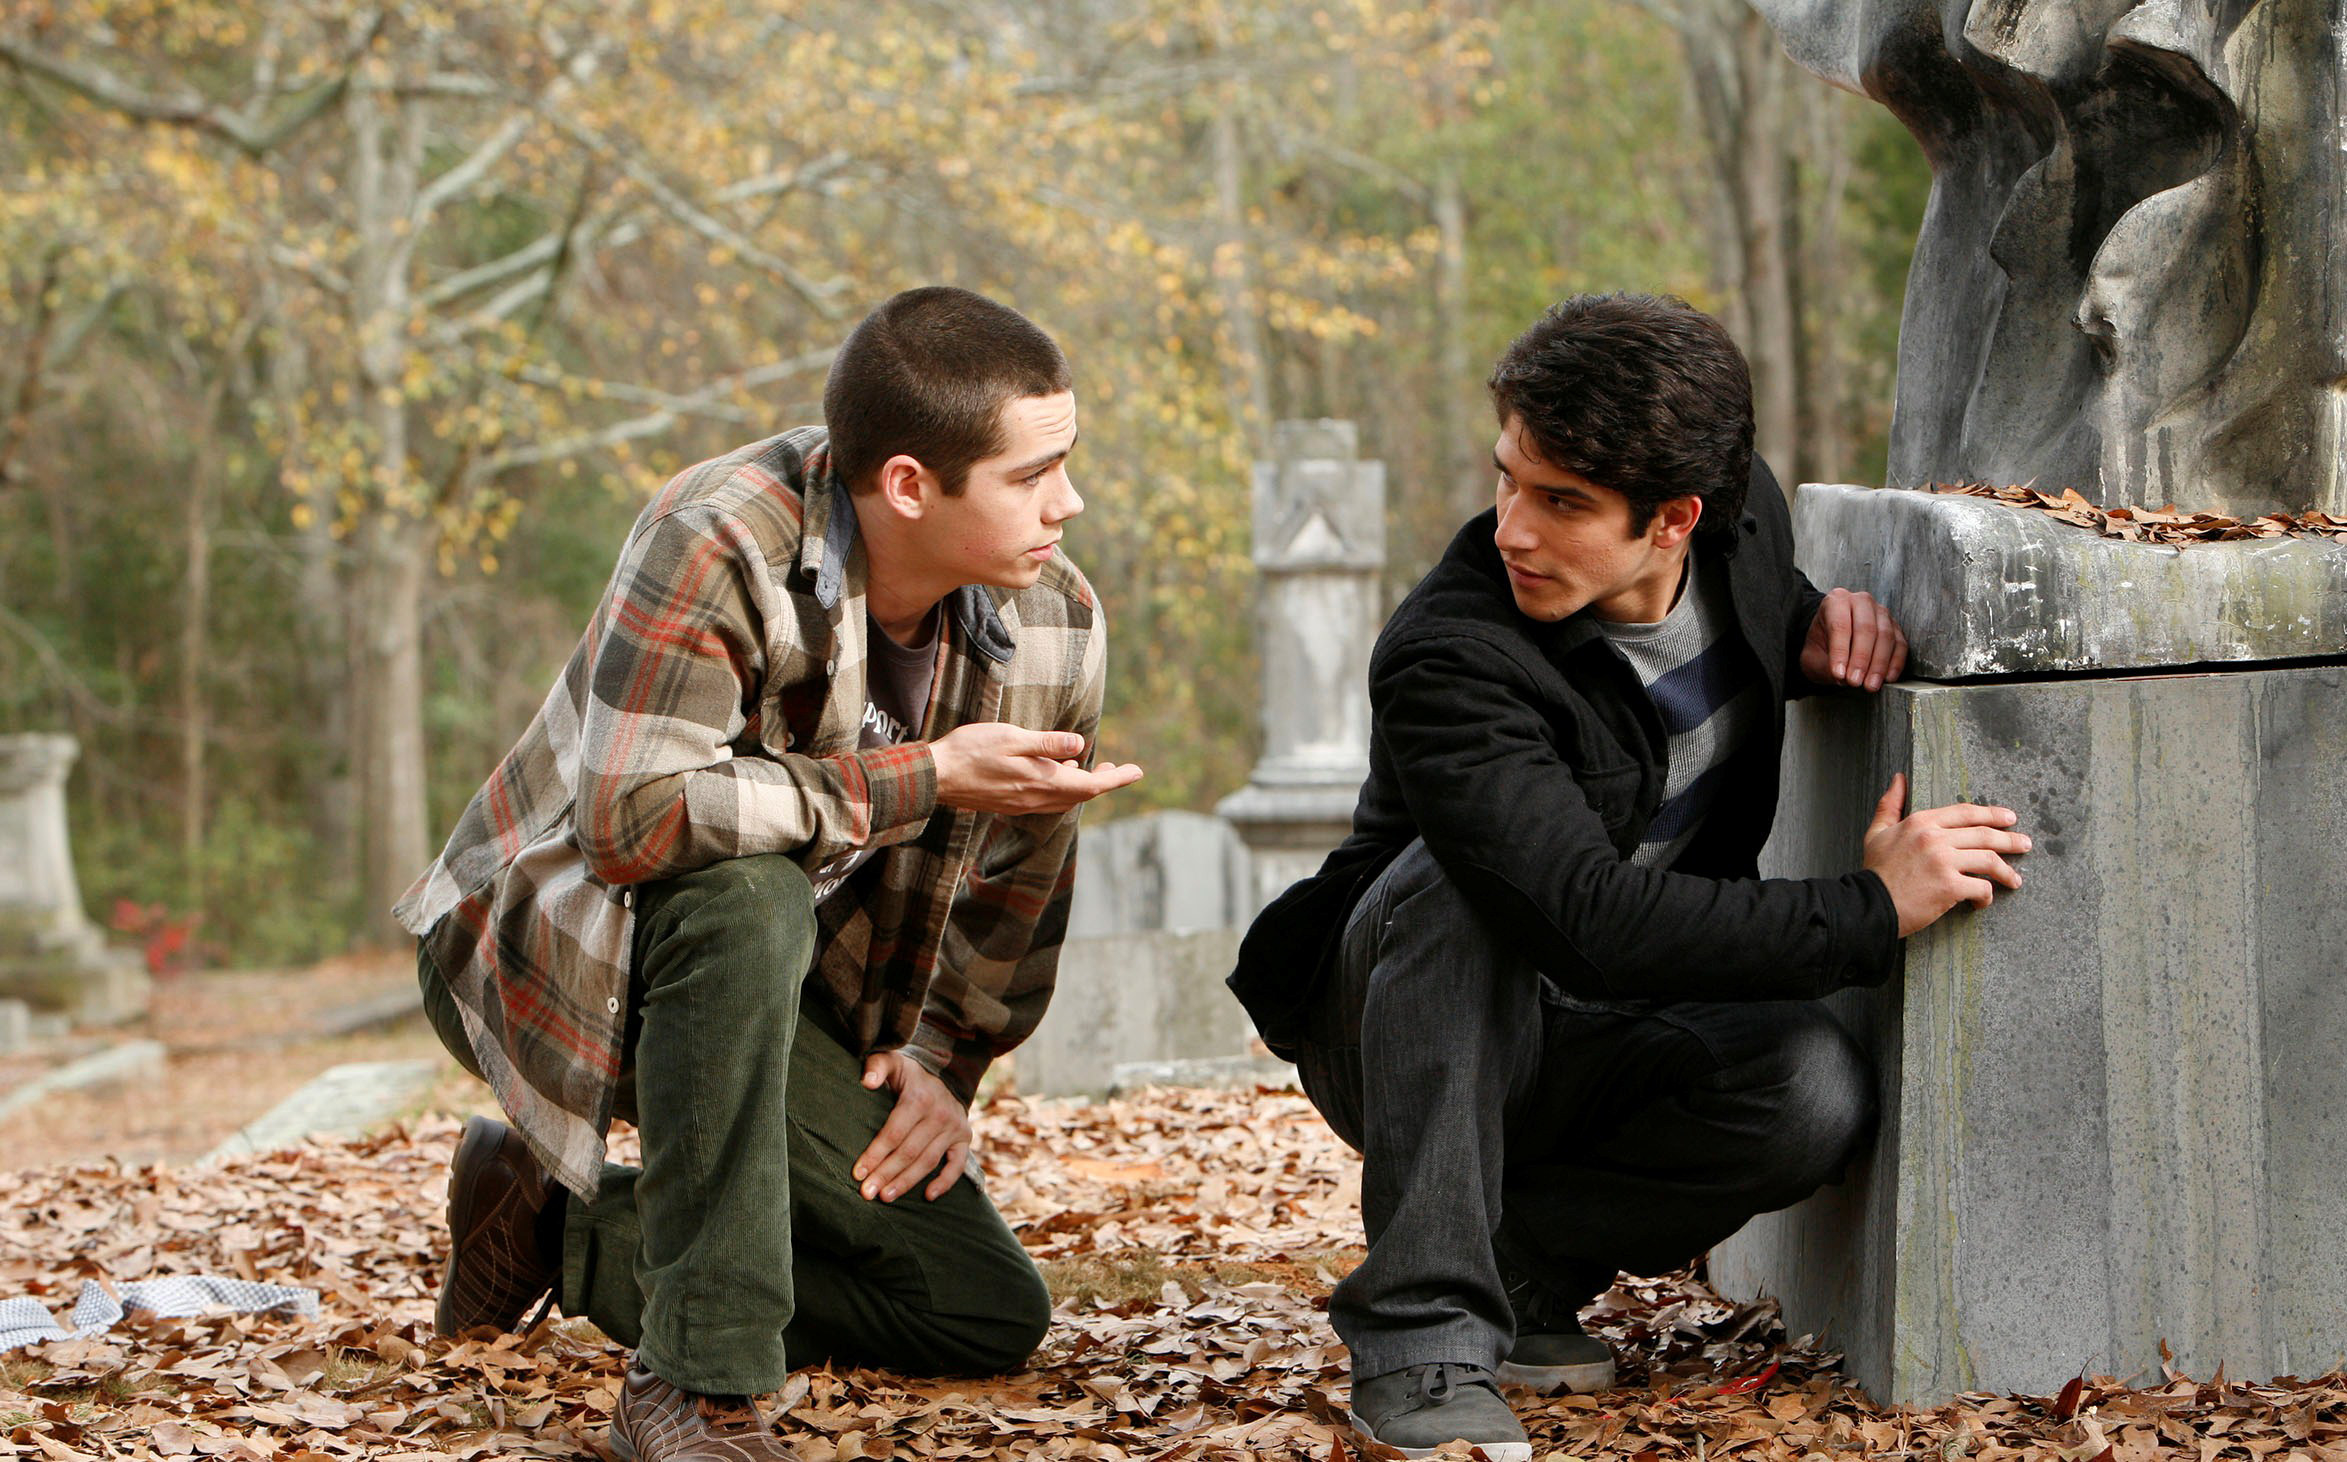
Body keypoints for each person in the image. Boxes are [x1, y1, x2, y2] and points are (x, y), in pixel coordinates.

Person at [1227, 293, 2030, 1461]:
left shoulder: (1742, 531)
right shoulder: (1452, 656)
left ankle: (1516, 1264)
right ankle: (1420, 1337)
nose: (1512, 528)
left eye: (1562, 504)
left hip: (1603, 1026)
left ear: (1676, 521)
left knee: (1810, 1091)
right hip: (1401, 1015)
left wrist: (1812, 625)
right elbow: (1581, 918)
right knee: (1469, 888)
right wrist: (1869, 906)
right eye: (1507, 479)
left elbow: (1736, 629)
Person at [395, 286, 1143, 1461]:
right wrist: (925, 774)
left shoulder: (1055, 617)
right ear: (908, 485)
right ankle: (695, 1385)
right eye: (1031, 474)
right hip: (561, 952)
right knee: (745, 890)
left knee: (981, 1310)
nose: (1069, 501)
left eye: (1069, 462)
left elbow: (1022, 870)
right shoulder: (717, 536)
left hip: (788, 1002)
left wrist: (947, 1057)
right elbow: (631, 822)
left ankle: (558, 1226)